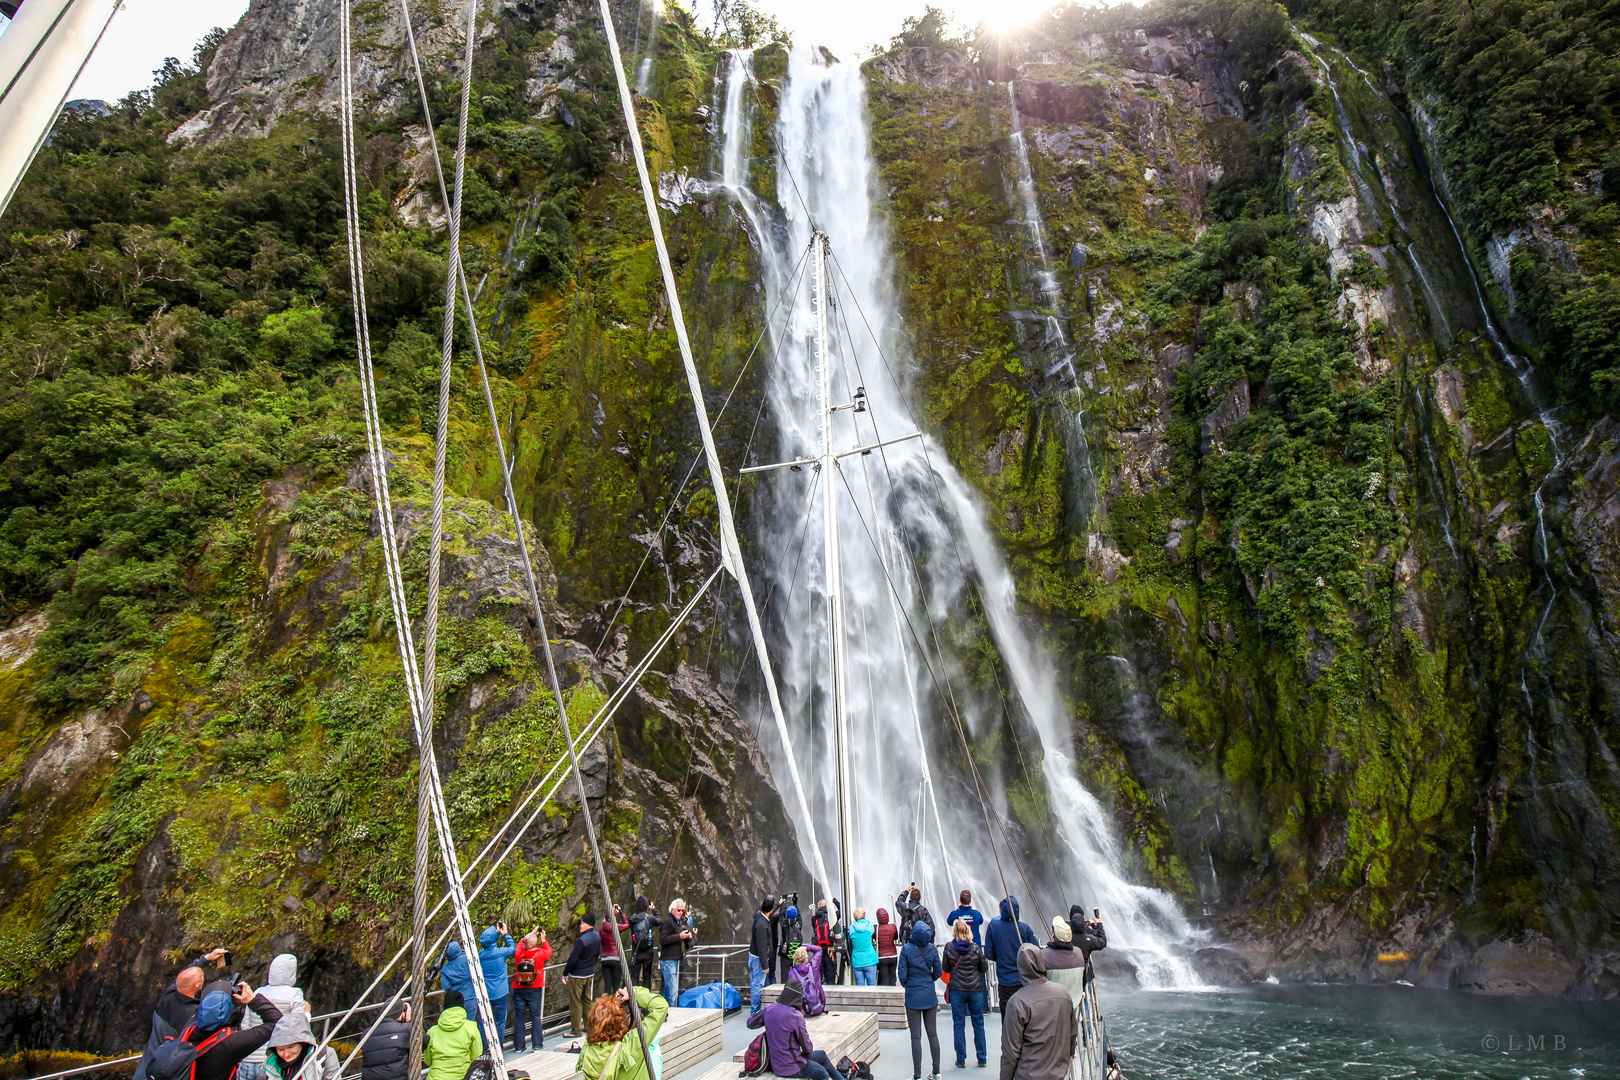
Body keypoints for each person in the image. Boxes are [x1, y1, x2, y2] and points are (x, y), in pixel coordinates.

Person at [134, 949, 229, 1080]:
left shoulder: (168, 995)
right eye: (202, 977)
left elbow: (184, 974)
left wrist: (206, 958)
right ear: (196, 984)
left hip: (145, 1071)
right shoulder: (193, 1014)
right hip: (168, 1074)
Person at [746, 978, 850, 1080]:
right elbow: (808, 1049)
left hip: (776, 1064)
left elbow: (750, 1023)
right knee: (823, 1074)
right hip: (791, 1066)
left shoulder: (769, 1008)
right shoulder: (795, 1016)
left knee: (822, 1055)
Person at [998, 946, 1076, 1080]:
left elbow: (1010, 1053)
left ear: (1020, 967)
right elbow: (1072, 1032)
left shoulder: (1017, 1002)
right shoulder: (1063, 993)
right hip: (1058, 1073)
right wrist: (1070, 1053)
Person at [186, 981, 285, 1080]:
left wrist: (217, 990)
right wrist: (252, 1000)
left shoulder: (188, 1027)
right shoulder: (232, 1043)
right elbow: (276, 1022)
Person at [240, 955, 309, 1080]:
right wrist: (308, 1014)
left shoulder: (257, 993)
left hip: (248, 1059)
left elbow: (245, 1026)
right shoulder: (294, 993)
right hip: (271, 1061)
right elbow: (299, 1025)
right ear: (292, 973)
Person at [580, 986, 668, 1080]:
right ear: (619, 1023)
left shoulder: (587, 1049)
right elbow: (661, 1006)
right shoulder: (632, 1044)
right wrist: (634, 992)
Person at [896, 920, 942, 1080]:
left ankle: (917, 1074)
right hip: (929, 995)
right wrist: (928, 980)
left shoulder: (907, 949)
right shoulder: (932, 949)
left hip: (913, 997)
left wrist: (908, 984)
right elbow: (938, 971)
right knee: (932, 1034)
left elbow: (901, 974)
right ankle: (936, 1072)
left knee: (916, 1037)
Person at [941, 919, 989, 1069]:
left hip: (957, 990)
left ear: (955, 931)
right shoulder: (975, 948)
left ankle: (961, 1059)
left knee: (959, 1024)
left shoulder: (949, 948)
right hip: (975, 990)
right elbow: (984, 967)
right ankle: (982, 1058)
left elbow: (946, 968)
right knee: (978, 1024)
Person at [983, 897, 1038, 1015]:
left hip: (1005, 981)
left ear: (1002, 910)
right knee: (1025, 1016)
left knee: (1007, 1018)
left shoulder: (993, 927)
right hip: (1024, 981)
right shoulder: (1025, 928)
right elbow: (1036, 951)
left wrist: (1001, 957)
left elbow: (988, 953)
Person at [262, 1011, 341, 1080]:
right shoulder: (269, 1065)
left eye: (291, 1047)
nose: (286, 1054)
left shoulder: (324, 1055)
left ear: (303, 1042)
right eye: (281, 1050)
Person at [424, 990, 483, 1080]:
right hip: (462, 1076)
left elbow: (427, 1061)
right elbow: (477, 1057)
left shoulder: (432, 1032)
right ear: (462, 1005)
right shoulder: (471, 1028)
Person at [476, 924, 516, 1053]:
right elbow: (512, 948)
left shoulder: (479, 956)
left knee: (483, 1022)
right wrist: (505, 934)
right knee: (499, 1021)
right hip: (501, 992)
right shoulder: (501, 953)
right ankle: (497, 1046)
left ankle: (484, 1047)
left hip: (485, 993)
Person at [511, 928, 551, 1053]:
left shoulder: (519, 953)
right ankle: (537, 1044)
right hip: (534, 987)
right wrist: (544, 940)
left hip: (519, 988)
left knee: (519, 1017)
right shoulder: (540, 953)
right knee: (535, 1016)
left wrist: (530, 934)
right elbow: (549, 951)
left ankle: (519, 1046)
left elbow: (518, 945)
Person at [1040, 918, 1087, 1019]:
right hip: (1073, 1012)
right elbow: (1083, 979)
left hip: (1052, 1013)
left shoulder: (1044, 956)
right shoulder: (1079, 954)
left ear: (1053, 936)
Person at [565, 914, 603, 1037]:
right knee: (587, 1001)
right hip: (589, 973)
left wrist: (565, 973)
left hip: (577, 975)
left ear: (587, 924)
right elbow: (597, 954)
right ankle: (589, 1026)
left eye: (582, 923)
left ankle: (576, 1030)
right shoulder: (597, 937)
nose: (580, 925)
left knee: (575, 1002)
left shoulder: (581, 941)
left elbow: (572, 959)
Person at [360, 1001, 411, 1080]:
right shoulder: (406, 1029)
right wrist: (409, 1021)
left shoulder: (366, 1033)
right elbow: (423, 1042)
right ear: (402, 1013)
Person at [658, 899, 692, 1005]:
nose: (681, 913)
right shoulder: (668, 922)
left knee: (671, 990)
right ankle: (670, 1012)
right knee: (671, 991)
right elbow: (662, 939)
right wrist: (679, 936)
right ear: (672, 910)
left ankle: (667, 1012)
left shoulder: (678, 922)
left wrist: (687, 936)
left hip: (675, 959)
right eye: (678, 910)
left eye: (682, 911)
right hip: (668, 960)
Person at [750, 896, 780, 1016]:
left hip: (753, 956)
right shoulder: (762, 925)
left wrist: (776, 904)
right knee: (757, 984)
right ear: (771, 910)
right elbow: (761, 948)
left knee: (755, 982)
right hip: (758, 959)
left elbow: (762, 910)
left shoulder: (758, 916)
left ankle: (755, 1009)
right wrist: (765, 965)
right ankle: (755, 1011)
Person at [788, 944, 827, 1017]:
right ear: (806, 957)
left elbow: (792, 994)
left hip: (804, 1009)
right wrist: (806, 947)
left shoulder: (792, 973)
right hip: (819, 1003)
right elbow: (819, 949)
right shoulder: (813, 965)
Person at [629, 897, 659, 990]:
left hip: (636, 951)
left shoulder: (632, 919)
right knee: (647, 976)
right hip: (648, 951)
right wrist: (654, 910)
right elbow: (659, 921)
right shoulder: (650, 918)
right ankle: (645, 998)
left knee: (634, 976)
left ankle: (633, 998)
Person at [599, 908, 630, 997]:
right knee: (616, 986)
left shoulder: (601, 928)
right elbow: (627, 925)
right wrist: (621, 913)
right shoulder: (615, 927)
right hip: (615, 958)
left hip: (604, 959)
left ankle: (606, 1006)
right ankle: (616, 1006)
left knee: (607, 987)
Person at [1069, 906, 1107, 970]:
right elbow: (1102, 941)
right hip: (1084, 971)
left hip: (1069, 969)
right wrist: (1098, 924)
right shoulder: (1089, 940)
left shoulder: (1066, 937)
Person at [847, 908, 878, 986]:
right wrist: (865, 917)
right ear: (864, 915)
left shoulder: (852, 928)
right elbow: (872, 930)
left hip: (857, 960)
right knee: (872, 986)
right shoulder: (869, 926)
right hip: (870, 959)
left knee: (859, 986)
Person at [875, 908, 900, 986]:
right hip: (893, 956)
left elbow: (873, 938)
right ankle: (894, 996)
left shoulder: (876, 928)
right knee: (892, 979)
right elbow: (896, 938)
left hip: (882, 957)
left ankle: (885, 997)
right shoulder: (893, 927)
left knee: (884, 980)